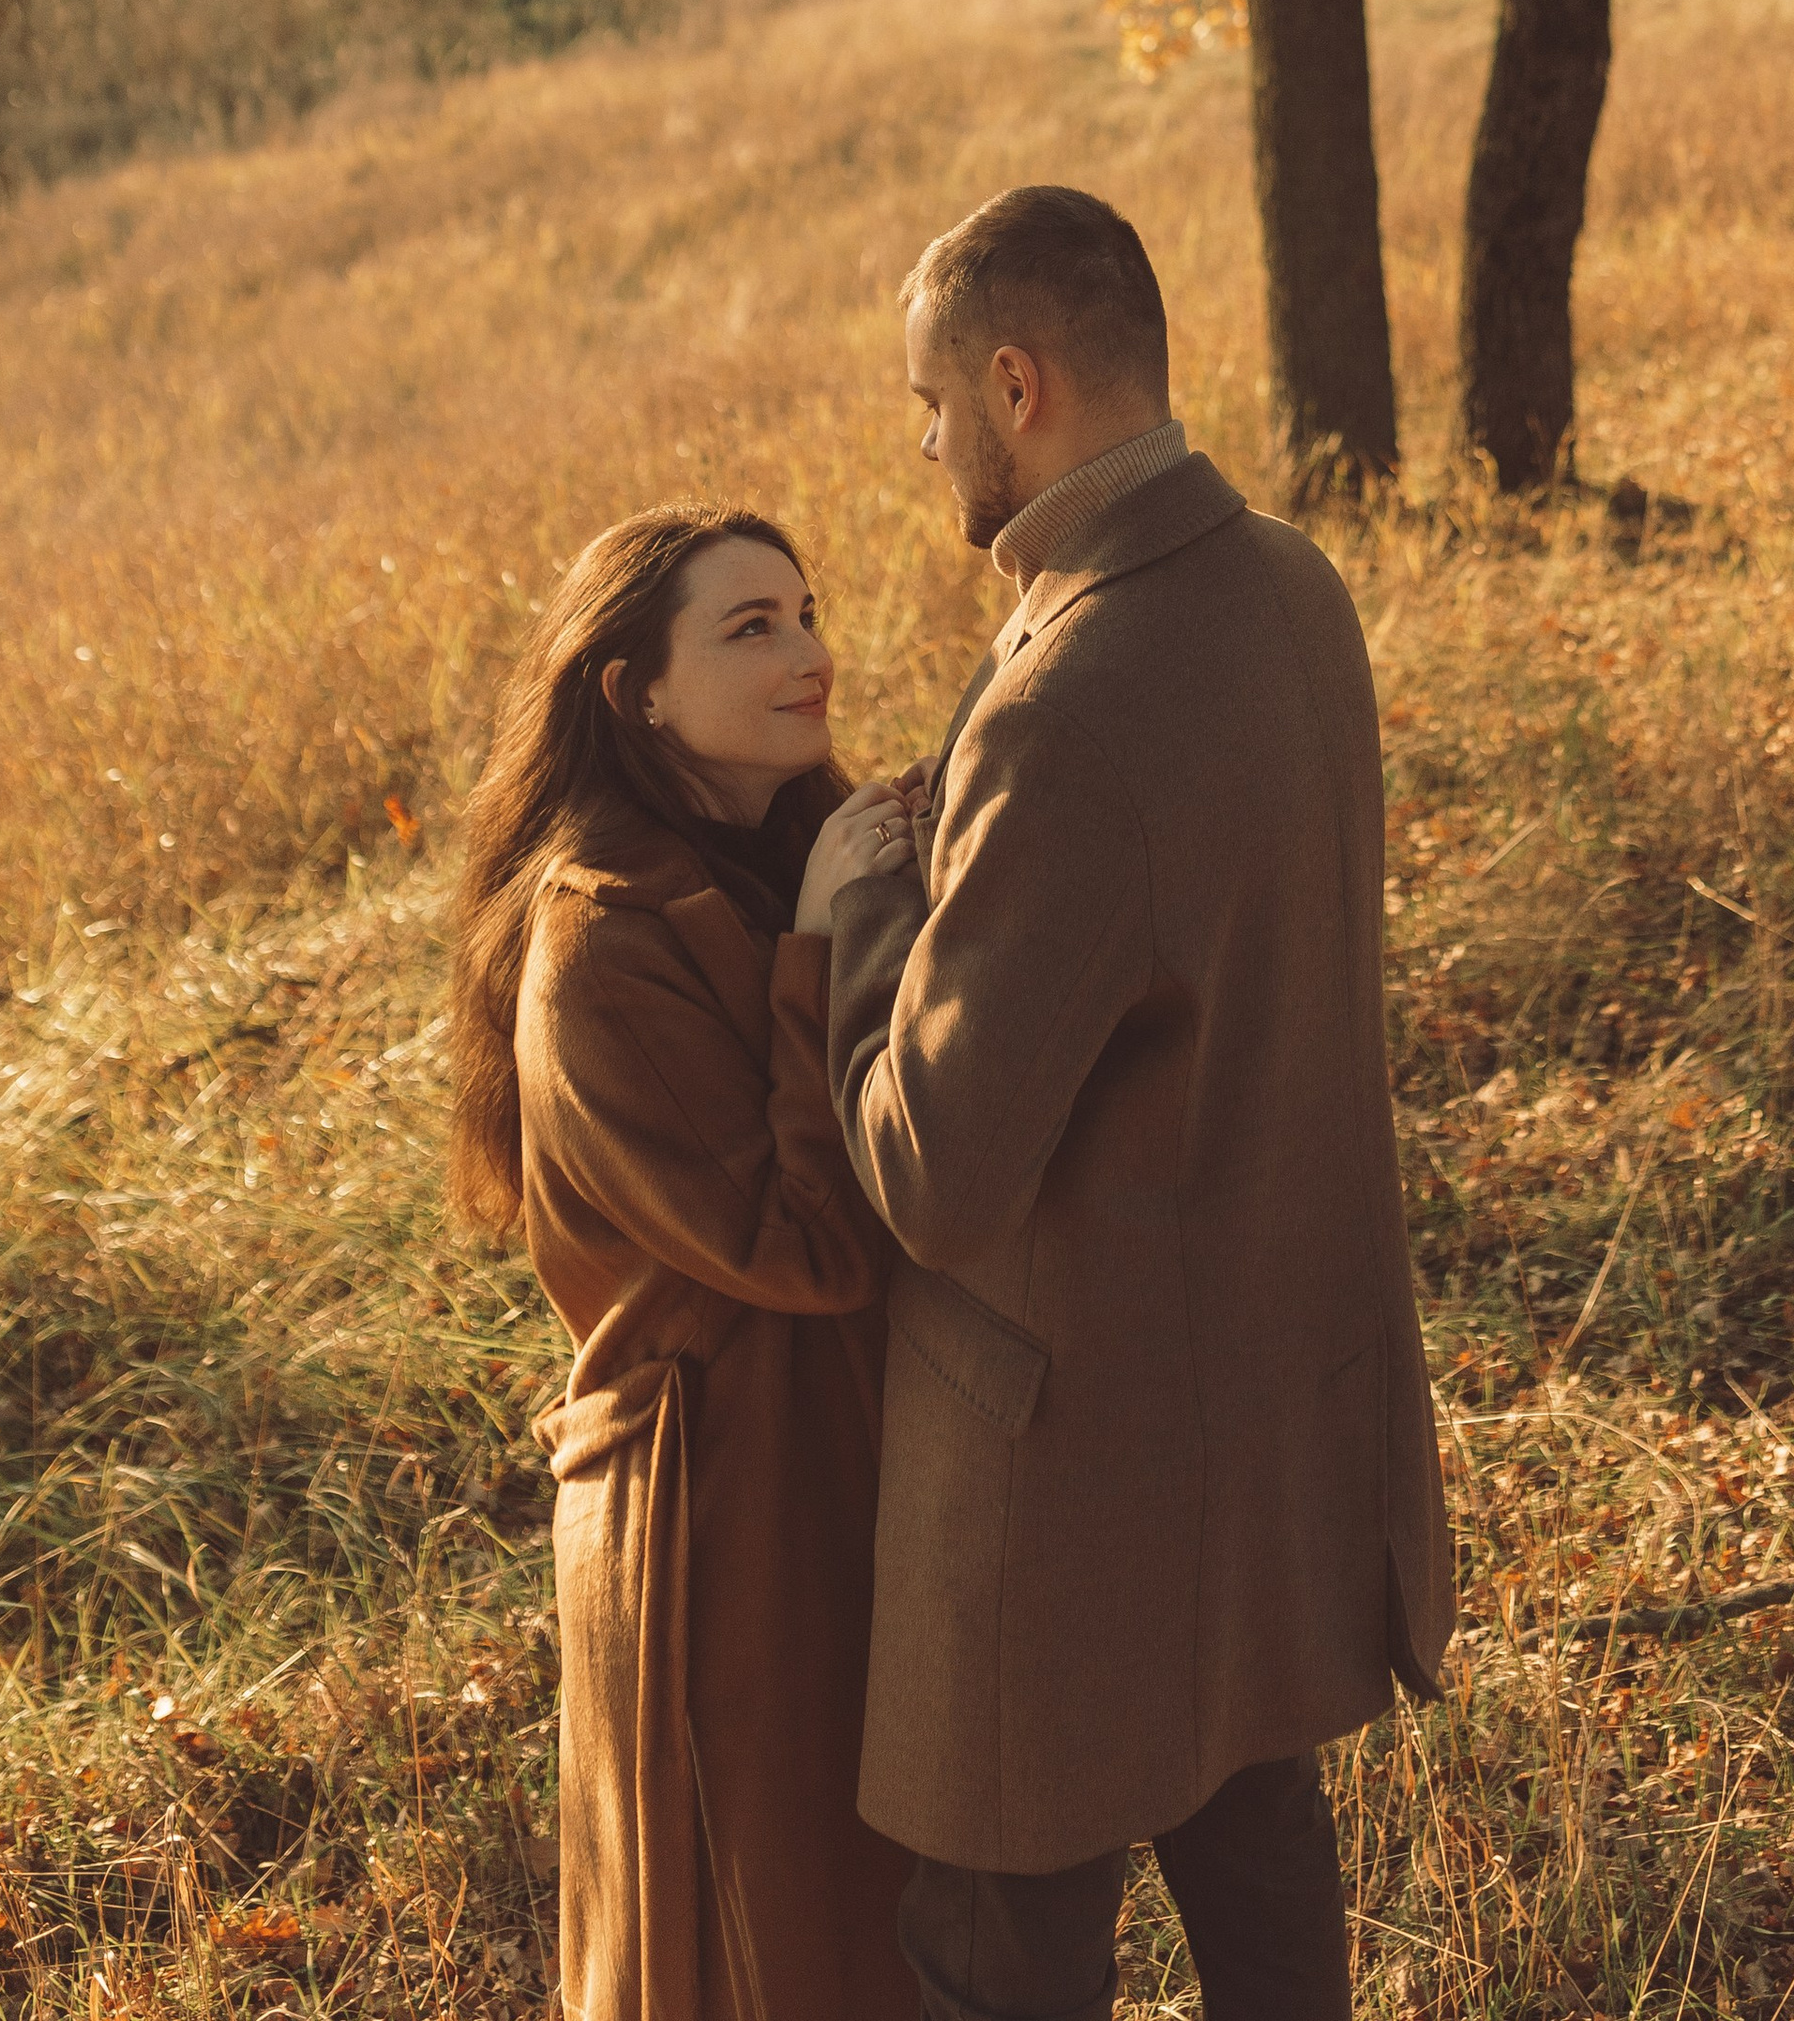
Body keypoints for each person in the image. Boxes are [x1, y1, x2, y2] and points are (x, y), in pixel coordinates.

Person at [798, 184, 1455, 2021]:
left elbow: (934, 1166)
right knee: (1266, 1914)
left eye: (931, 402)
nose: (923, 441)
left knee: (995, 1958)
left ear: (1017, 383)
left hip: (1069, 1477)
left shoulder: (1072, 689)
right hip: (1263, 1425)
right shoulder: (1292, 587)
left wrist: (864, 909)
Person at [448, 503, 926, 2021]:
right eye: (751, 627)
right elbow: (805, 1246)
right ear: (633, 690)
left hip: (844, 1474)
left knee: (888, 1930)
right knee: (764, 1951)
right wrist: (826, 946)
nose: (813, 654)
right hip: (720, 1518)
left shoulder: (789, 851)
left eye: (804, 610)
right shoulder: (602, 941)